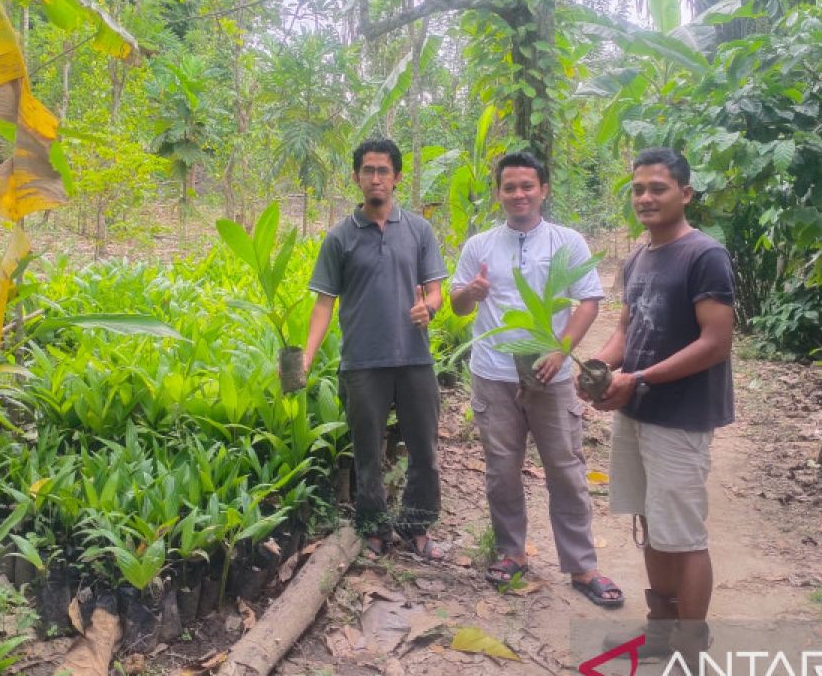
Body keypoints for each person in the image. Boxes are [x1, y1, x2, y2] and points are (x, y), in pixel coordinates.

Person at [579, 147, 735, 665]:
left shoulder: (704, 255)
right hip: (637, 413)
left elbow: (716, 341)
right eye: (638, 189)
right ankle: (660, 631)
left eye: (658, 188)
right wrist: (596, 371)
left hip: (681, 417)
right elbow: (627, 329)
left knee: (684, 535)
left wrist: (638, 378)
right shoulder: (638, 257)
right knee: (650, 523)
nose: (645, 198)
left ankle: (692, 647)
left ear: (685, 194)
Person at [450, 151, 623, 607]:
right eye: (510, 187)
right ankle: (512, 554)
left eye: (528, 185)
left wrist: (561, 348)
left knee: (565, 469)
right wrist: (471, 292)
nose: (519, 194)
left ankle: (583, 566)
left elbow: (588, 300)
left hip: (552, 374)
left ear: (543, 190)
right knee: (501, 471)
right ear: (499, 194)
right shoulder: (479, 245)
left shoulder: (567, 242)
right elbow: (458, 306)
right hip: (493, 374)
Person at [302, 138, 447, 559]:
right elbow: (323, 304)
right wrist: (307, 357)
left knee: (425, 448)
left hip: (415, 359)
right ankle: (372, 526)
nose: (376, 178)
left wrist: (429, 308)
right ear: (356, 177)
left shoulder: (419, 230)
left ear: (397, 178)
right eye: (368, 170)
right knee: (367, 451)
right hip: (362, 362)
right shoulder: (340, 238)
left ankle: (417, 526)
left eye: (384, 171)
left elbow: (436, 290)